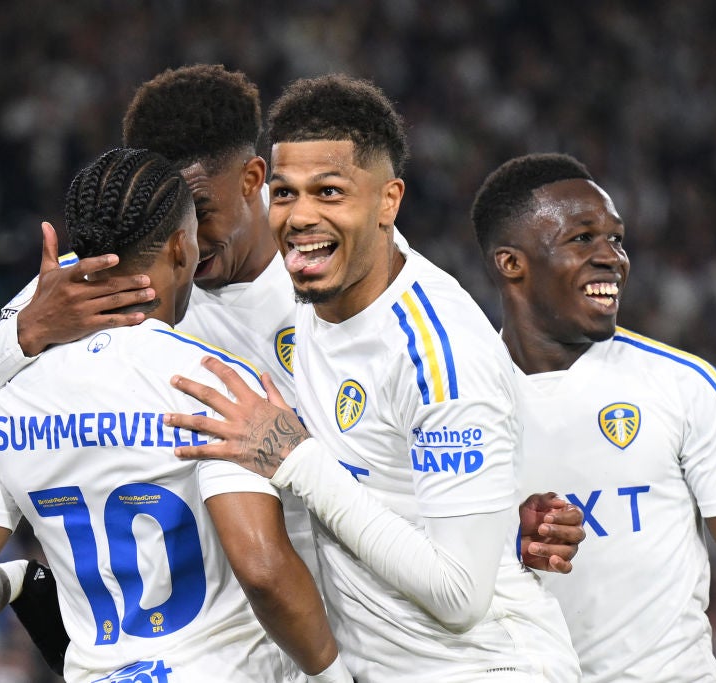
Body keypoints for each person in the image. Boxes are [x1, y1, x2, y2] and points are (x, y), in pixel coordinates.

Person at [163, 74, 581, 682]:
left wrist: (293, 457)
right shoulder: (325, 288)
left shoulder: (438, 353)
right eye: (285, 194)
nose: (301, 217)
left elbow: (459, 597)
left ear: (389, 201)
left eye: (329, 192)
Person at [0, 147, 351, 683]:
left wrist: (14, 580)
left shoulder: (2, 408)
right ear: (179, 248)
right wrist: (332, 675)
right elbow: (263, 570)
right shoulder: (213, 384)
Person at [468, 152, 716, 682]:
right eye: (582, 239)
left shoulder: (684, 385)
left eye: (615, 240)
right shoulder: (457, 397)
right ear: (512, 263)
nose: (612, 258)